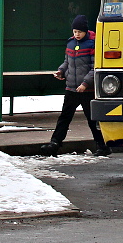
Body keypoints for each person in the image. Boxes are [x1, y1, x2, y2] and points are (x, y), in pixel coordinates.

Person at [39, 15, 109, 156]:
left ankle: (102, 146)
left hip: (86, 90)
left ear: (85, 31)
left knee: (92, 119)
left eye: (79, 32)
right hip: (71, 88)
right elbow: (67, 62)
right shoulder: (70, 43)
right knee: (64, 117)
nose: (76, 34)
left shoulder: (93, 43)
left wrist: (85, 83)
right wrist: (61, 71)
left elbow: (94, 67)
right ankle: (55, 143)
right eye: (75, 31)